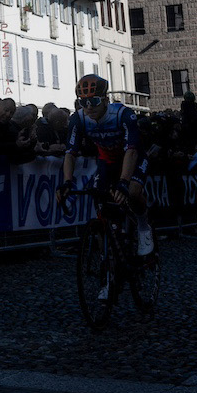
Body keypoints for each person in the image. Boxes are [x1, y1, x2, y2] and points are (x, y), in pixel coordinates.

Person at [57, 74, 152, 278]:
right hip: (107, 161)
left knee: (133, 192)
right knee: (101, 206)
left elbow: (132, 150)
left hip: (132, 157)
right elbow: (70, 153)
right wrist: (66, 182)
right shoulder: (79, 119)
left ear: (106, 100)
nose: (89, 106)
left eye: (94, 101)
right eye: (84, 102)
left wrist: (124, 182)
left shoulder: (123, 114)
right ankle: (108, 261)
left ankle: (143, 227)